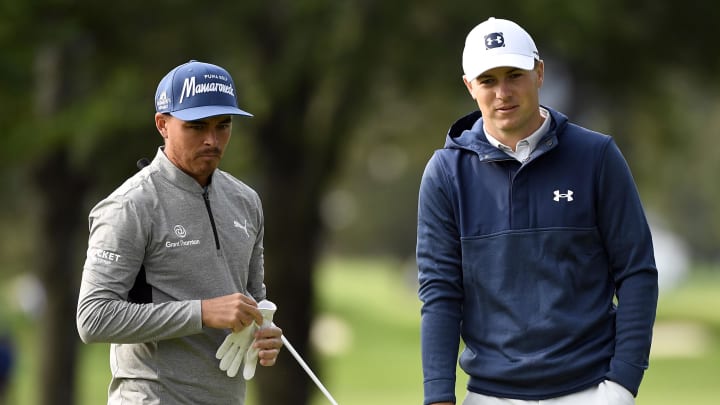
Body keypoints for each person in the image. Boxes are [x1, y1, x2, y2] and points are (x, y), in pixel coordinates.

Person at [416, 17, 658, 405]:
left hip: (591, 390)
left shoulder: (596, 156)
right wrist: (439, 397)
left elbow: (637, 271)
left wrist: (622, 385)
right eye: (488, 80)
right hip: (490, 395)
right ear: (469, 87)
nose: (503, 92)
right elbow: (440, 292)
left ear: (539, 72)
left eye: (514, 75)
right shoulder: (446, 173)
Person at [77, 60, 283, 404]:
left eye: (223, 125)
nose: (212, 140)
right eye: (196, 126)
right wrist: (202, 313)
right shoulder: (131, 206)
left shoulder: (246, 201)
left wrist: (264, 332)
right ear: (163, 124)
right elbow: (94, 318)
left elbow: (253, 300)